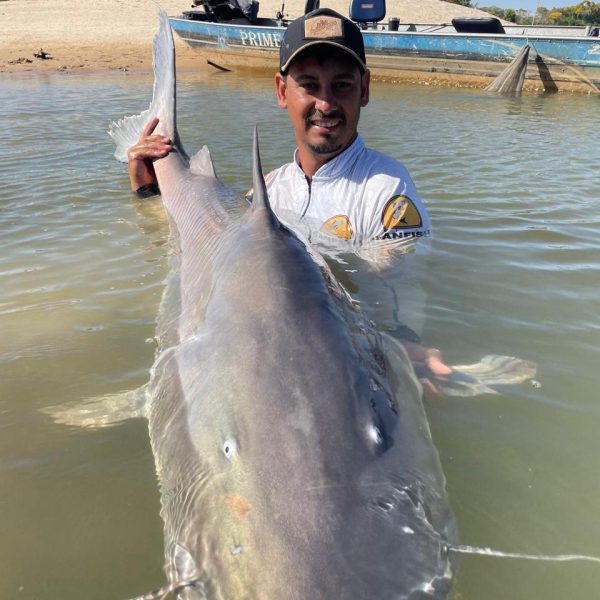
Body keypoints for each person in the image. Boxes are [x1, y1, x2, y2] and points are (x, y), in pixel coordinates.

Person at [126, 8, 451, 388]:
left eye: (342, 85)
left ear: (364, 89)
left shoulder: (387, 188)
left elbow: (401, 281)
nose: (326, 104)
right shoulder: (266, 190)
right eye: (309, 85)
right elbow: (193, 245)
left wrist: (401, 344)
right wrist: (146, 188)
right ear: (282, 91)